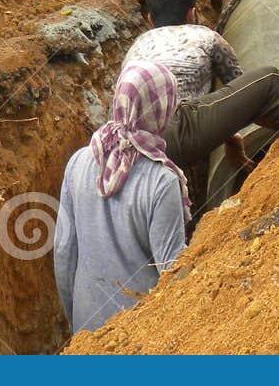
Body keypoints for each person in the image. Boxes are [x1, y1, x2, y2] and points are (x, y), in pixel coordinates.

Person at [121, 0, 279, 204]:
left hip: (131, 141)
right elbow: (241, 92)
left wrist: (229, 138)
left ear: (150, 18)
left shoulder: (136, 47)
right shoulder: (205, 36)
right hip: (179, 126)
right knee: (270, 81)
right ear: (193, 13)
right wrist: (238, 138)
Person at [53, 62, 188, 334]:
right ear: (162, 111)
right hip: (139, 333)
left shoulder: (79, 161)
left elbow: (64, 251)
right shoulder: (162, 182)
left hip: (87, 327)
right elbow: (173, 272)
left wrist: (75, 319)